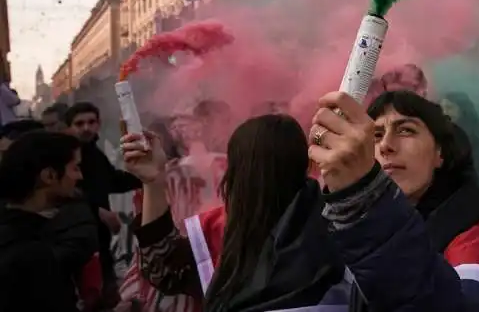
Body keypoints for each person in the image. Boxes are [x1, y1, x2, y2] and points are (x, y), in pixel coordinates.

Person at [310, 89, 479, 312]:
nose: (385, 146)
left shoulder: (477, 239)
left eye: (406, 130)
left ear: (439, 154)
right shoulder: (340, 230)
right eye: (377, 135)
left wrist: (363, 203)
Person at [121, 114, 349, 312]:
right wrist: (152, 180)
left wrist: (153, 182)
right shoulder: (342, 221)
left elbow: (163, 267)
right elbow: (166, 266)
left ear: (237, 174)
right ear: (305, 165)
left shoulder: (220, 229)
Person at [66, 101, 142, 308]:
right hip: (81, 240)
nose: (86, 128)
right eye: (79, 123)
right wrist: (99, 211)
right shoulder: (66, 155)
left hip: (99, 237)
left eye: (91, 122)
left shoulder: (94, 153)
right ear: (69, 127)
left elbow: (110, 181)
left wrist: (145, 176)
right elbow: (66, 194)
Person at [0, 130, 84, 311]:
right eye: (75, 168)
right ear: (49, 176)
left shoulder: (17, 233)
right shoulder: (30, 253)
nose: (79, 176)